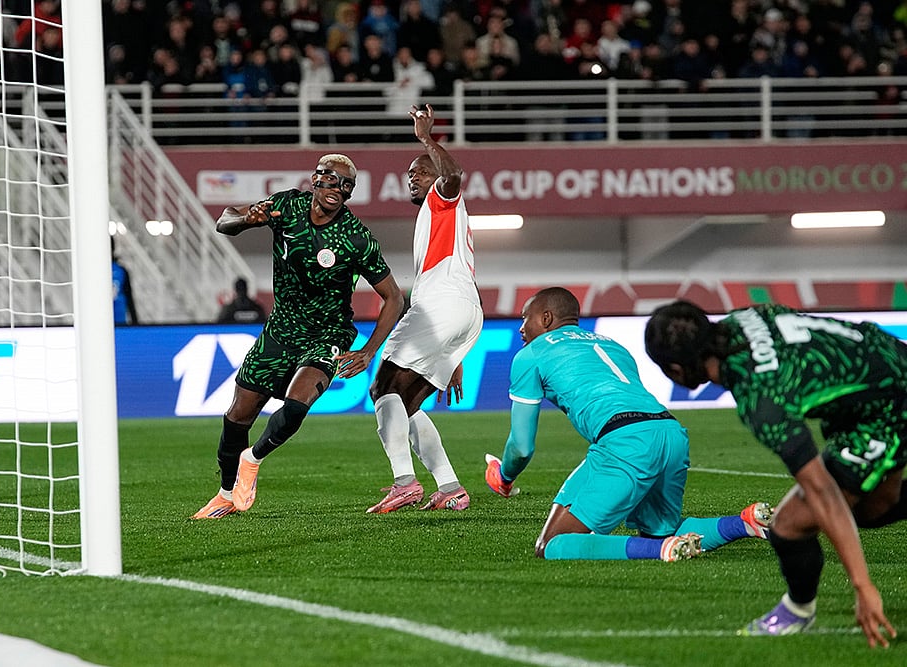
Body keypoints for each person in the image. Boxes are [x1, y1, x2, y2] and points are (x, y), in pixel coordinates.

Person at [645, 301, 905, 646]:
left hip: (887, 405)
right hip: (884, 364)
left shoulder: (760, 399)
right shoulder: (744, 317)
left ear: (676, 370)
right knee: (874, 508)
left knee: (789, 526)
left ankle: (797, 611)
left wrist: (863, 585)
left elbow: (822, 489)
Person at [484, 288, 772, 561]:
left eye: (525, 317)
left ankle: (660, 550)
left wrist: (504, 477)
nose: (521, 327)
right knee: (661, 530)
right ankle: (745, 523)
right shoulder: (613, 345)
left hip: (625, 440)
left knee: (552, 545)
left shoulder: (531, 354)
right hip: (669, 433)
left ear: (546, 318)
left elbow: (521, 447)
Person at [193, 154, 405, 519]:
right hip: (281, 329)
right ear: (316, 179)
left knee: (296, 406)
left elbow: (394, 297)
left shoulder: (355, 238)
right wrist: (246, 219)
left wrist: (370, 350)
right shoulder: (286, 206)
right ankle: (227, 493)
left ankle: (253, 459)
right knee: (237, 416)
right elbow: (224, 221)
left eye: (347, 185)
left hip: (327, 333)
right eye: (333, 179)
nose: (339, 188)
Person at [366, 104, 483, 513]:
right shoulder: (445, 220)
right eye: (410, 174)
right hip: (465, 311)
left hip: (442, 307)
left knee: (382, 388)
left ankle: (403, 482)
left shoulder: (442, 198)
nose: (412, 178)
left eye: (420, 171)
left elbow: (454, 175)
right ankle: (449, 486)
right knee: (407, 403)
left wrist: (426, 139)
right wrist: (452, 354)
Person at [111, 237, 139, 326]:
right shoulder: (94, 272)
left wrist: (135, 322)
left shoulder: (121, 270)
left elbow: (129, 296)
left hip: (119, 322)